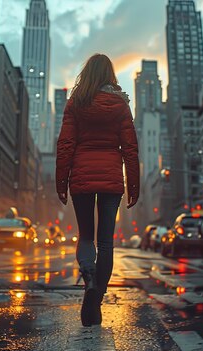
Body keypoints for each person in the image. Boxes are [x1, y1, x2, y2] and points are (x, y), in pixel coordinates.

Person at [56, 53, 139, 327]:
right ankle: (96, 298)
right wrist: (133, 186)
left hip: (80, 176)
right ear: (111, 75)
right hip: (111, 179)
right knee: (106, 242)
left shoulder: (75, 103)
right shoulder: (120, 105)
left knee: (86, 237)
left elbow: (65, 144)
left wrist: (61, 181)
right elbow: (130, 148)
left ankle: (89, 279)